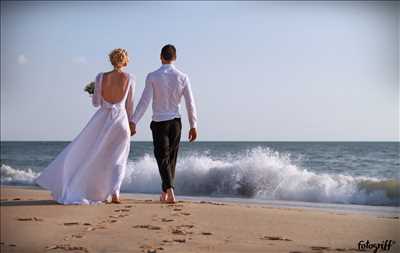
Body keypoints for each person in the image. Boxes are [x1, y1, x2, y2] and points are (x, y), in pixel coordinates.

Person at [36, 48, 136, 204]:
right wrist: (132, 123)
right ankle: (115, 192)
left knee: (95, 155)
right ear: (125, 61)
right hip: (121, 121)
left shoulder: (100, 77)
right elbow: (130, 105)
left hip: (103, 120)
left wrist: (95, 92)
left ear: (111, 60)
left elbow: (96, 103)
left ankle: (88, 187)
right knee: (119, 158)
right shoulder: (130, 78)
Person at [131, 44, 198, 203]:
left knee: (162, 157)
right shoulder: (183, 77)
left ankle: (170, 190)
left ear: (161, 57)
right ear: (175, 58)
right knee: (171, 159)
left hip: (160, 122)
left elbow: (144, 101)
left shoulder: (152, 76)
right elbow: (190, 102)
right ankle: (165, 193)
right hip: (176, 123)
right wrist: (193, 125)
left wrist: (134, 121)